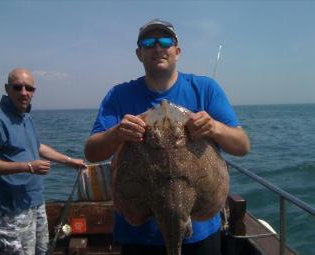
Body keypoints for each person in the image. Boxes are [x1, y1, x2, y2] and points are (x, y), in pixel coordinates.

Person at [84, 19, 250, 255]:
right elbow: (91, 153)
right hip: (139, 237)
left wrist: (214, 128)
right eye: (149, 43)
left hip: (201, 233)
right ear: (139, 53)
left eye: (165, 41)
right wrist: (117, 133)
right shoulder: (119, 95)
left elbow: (242, 145)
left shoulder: (205, 88)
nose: (158, 48)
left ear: (177, 51)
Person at [0, 68, 85, 255]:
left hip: (36, 201)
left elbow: (38, 146)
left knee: (42, 251)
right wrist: (27, 167)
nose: (24, 92)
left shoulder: (25, 116)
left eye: (29, 88)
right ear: (7, 88)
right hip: (11, 210)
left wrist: (69, 161)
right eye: (17, 87)